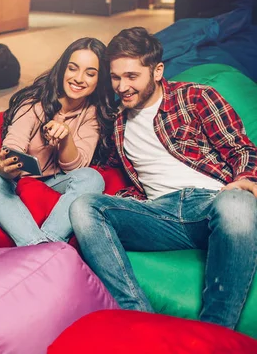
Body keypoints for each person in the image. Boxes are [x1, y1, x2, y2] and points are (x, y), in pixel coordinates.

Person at [70, 27, 257, 329]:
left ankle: (215, 333)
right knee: (83, 207)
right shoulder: (117, 122)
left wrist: (247, 180)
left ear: (157, 71)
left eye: (131, 77)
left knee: (237, 204)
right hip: (161, 215)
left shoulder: (195, 97)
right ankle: (142, 321)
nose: (122, 86)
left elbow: (240, 148)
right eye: (116, 77)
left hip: (211, 205)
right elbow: (82, 156)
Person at [0, 37, 117, 246]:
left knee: (92, 177)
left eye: (90, 73)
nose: (79, 78)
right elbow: (13, 145)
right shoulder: (35, 103)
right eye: (73, 68)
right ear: (62, 70)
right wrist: (7, 168)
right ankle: (40, 246)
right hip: (16, 177)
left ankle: (47, 241)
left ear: (99, 80)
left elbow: (77, 167)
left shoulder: (92, 113)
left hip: (55, 180)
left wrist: (66, 137)